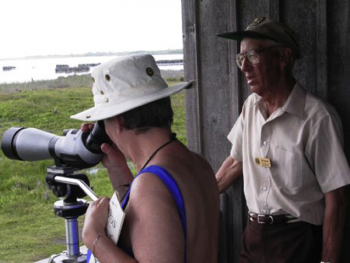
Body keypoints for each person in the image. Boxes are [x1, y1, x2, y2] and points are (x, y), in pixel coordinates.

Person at [216, 17, 350, 263]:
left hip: (297, 240)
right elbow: (236, 162)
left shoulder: (317, 117)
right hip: (253, 236)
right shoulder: (250, 107)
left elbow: (337, 197)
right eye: (240, 58)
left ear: (283, 57)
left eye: (253, 55)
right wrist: (198, 199)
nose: (244, 67)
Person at [71, 53, 220, 263]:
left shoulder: (150, 185)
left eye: (103, 122)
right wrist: (118, 169)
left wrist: (94, 239)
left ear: (119, 121)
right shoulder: (197, 164)